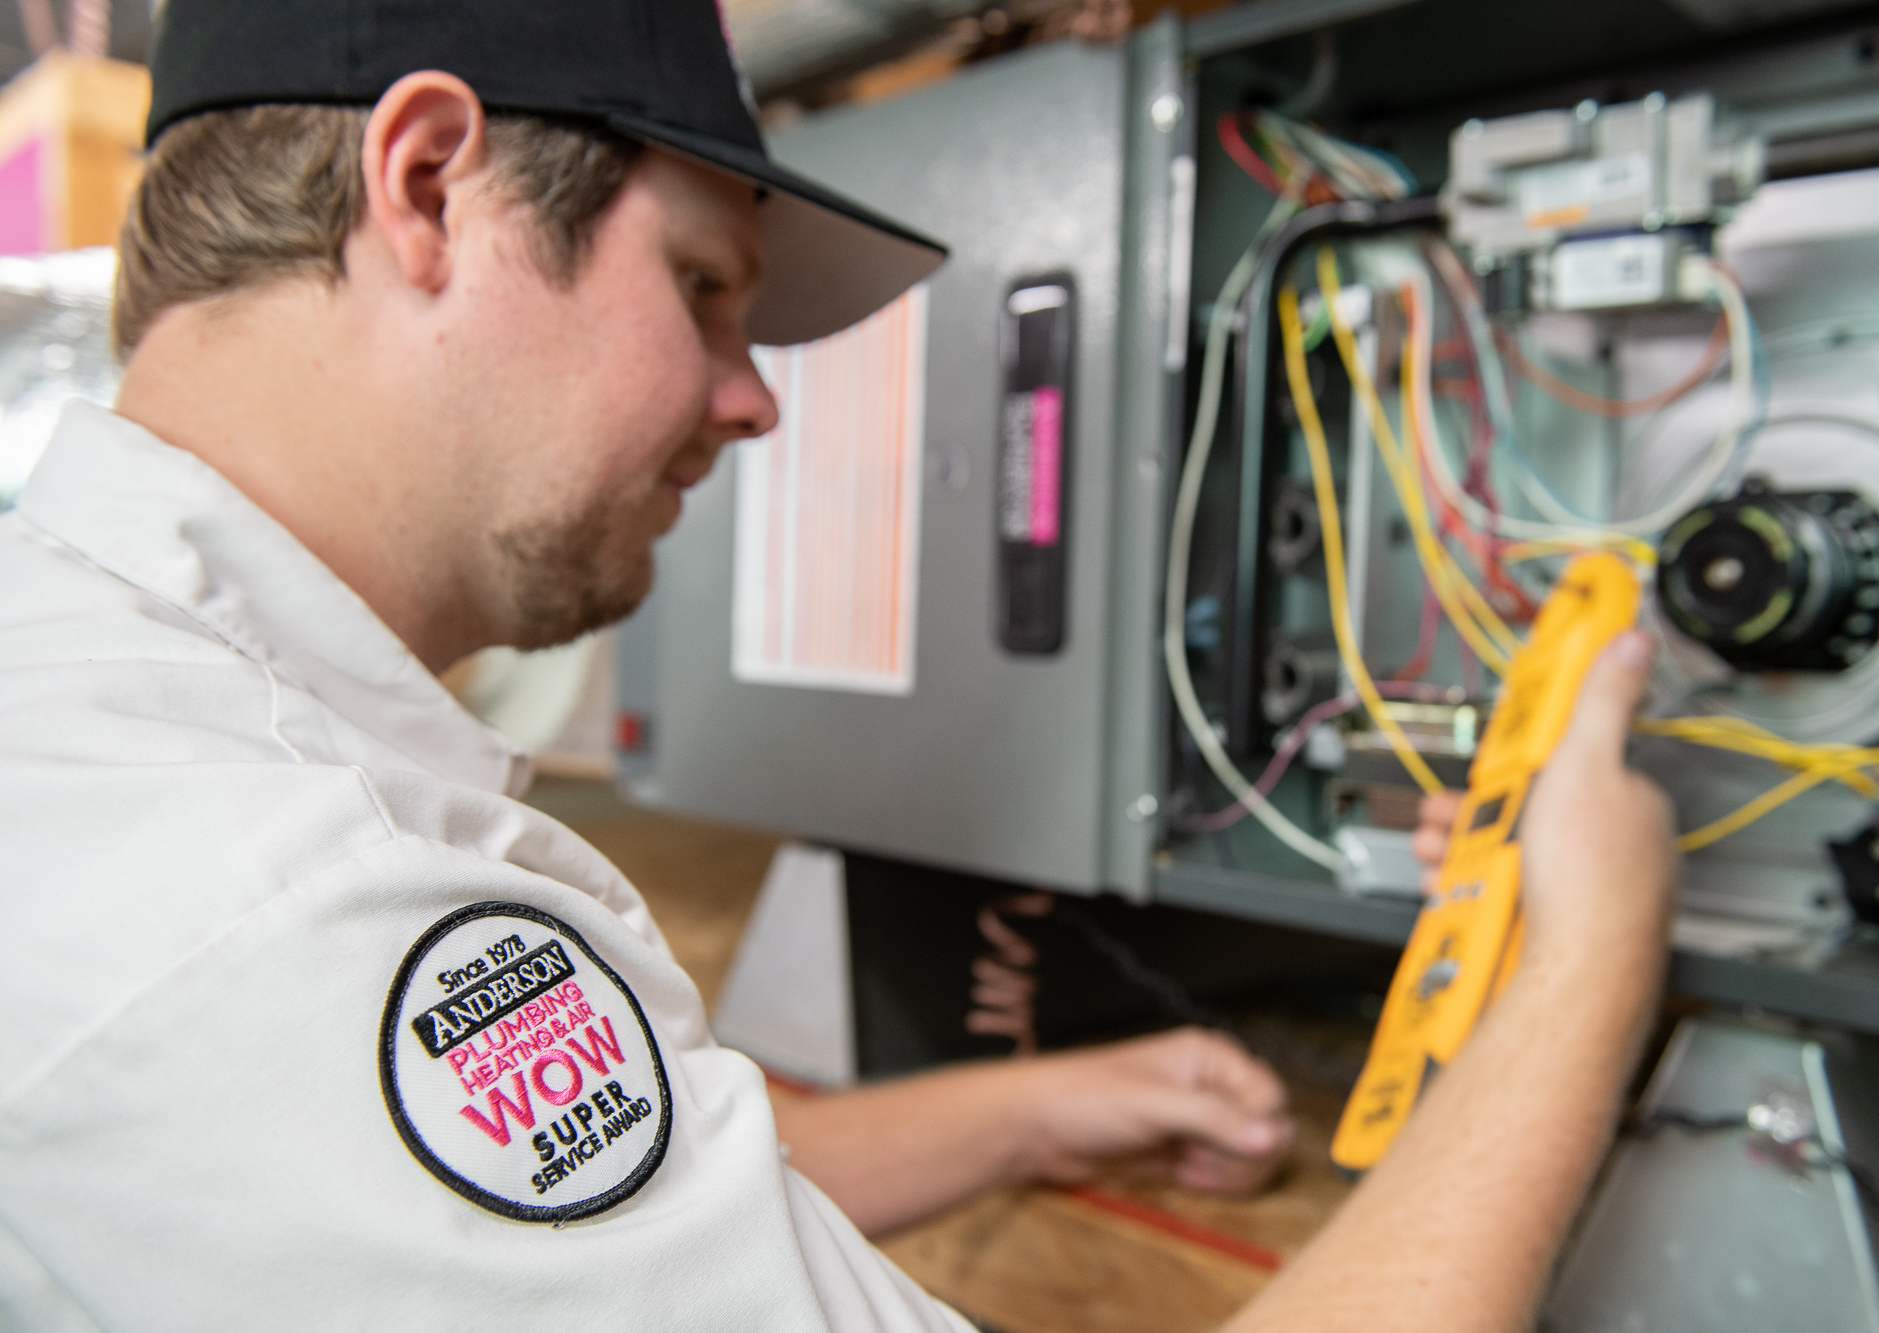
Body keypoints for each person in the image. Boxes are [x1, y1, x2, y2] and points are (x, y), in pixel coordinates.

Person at [0, 0, 1676, 1327]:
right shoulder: (279, 900)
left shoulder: (108, 703)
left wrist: (1048, 1107)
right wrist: (1585, 953)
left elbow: (597, 1214)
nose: (753, 398)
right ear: (431, 184)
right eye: (702, 286)